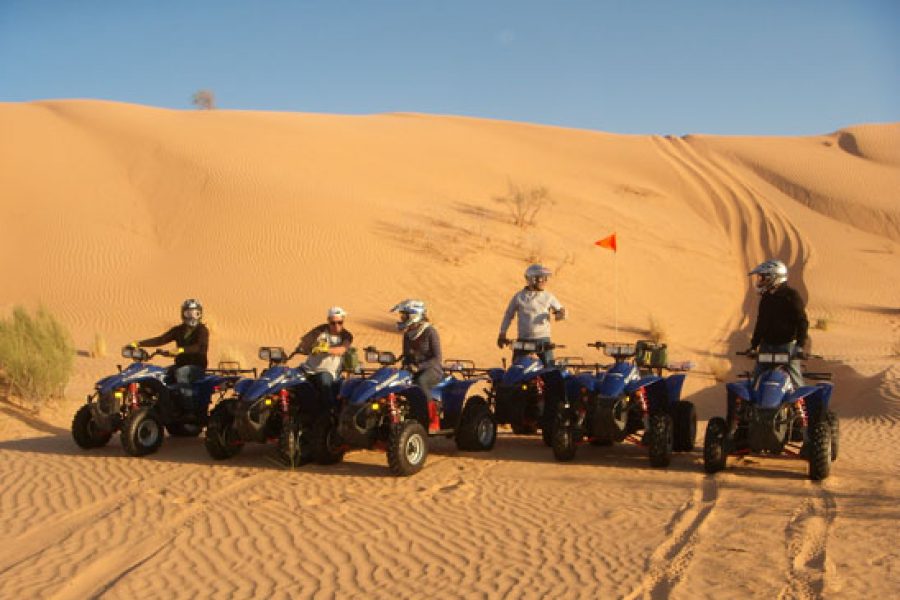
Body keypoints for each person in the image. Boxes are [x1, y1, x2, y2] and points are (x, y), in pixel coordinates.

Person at [134, 299, 209, 407]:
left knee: (181, 374)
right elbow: (161, 339)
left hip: (196, 367)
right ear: (183, 314)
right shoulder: (179, 330)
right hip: (180, 365)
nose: (192, 317)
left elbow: (199, 347)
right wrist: (139, 343)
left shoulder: (202, 330)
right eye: (188, 313)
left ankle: (189, 409)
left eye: (195, 313)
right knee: (161, 375)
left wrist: (181, 350)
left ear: (200, 314)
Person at [747, 259, 809, 387]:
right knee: (755, 382)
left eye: (763, 277)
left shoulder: (791, 296)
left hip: (786, 347)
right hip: (767, 346)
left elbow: (802, 322)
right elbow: (761, 323)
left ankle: (803, 406)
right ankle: (753, 407)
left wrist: (800, 346)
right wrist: (754, 345)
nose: (760, 281)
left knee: (797, 382)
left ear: (774, 278)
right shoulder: (766, 298)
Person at [497, 264, 566, 366]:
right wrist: (502, 334)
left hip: (542, 340)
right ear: (532, 279)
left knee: (550, 371)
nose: (545, 281)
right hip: (523, 341)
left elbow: (561, 312)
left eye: (546, 278)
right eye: (542, 278)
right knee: (517, 369)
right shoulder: (519, 296)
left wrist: (561, 314)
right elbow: (508, 315)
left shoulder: (548, 296)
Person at [295, 306, 353, 408]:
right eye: (333, 323)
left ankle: (329, 410)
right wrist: (310, 348)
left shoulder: (346, 335)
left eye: (339, 322)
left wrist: (325, 350)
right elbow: (305, 344)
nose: (336, 326)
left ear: (343, 321)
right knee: (289, 377)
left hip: (330, 372)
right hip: (309, 369)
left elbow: (342, 349)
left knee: (325, 381)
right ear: (328, 321)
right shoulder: (319, 331)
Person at [392, 299, 443, 408]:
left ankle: (432, 415)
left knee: (421, 382)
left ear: (414, 316)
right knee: (396, 383)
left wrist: (419, 367)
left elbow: (437, 358)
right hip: (413, 369)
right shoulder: (407, 335)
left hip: (432, 370)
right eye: (402, 317)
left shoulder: (430, 332)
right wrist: (404, 368)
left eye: (405, 316)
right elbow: (406, 356)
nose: (402, 319)